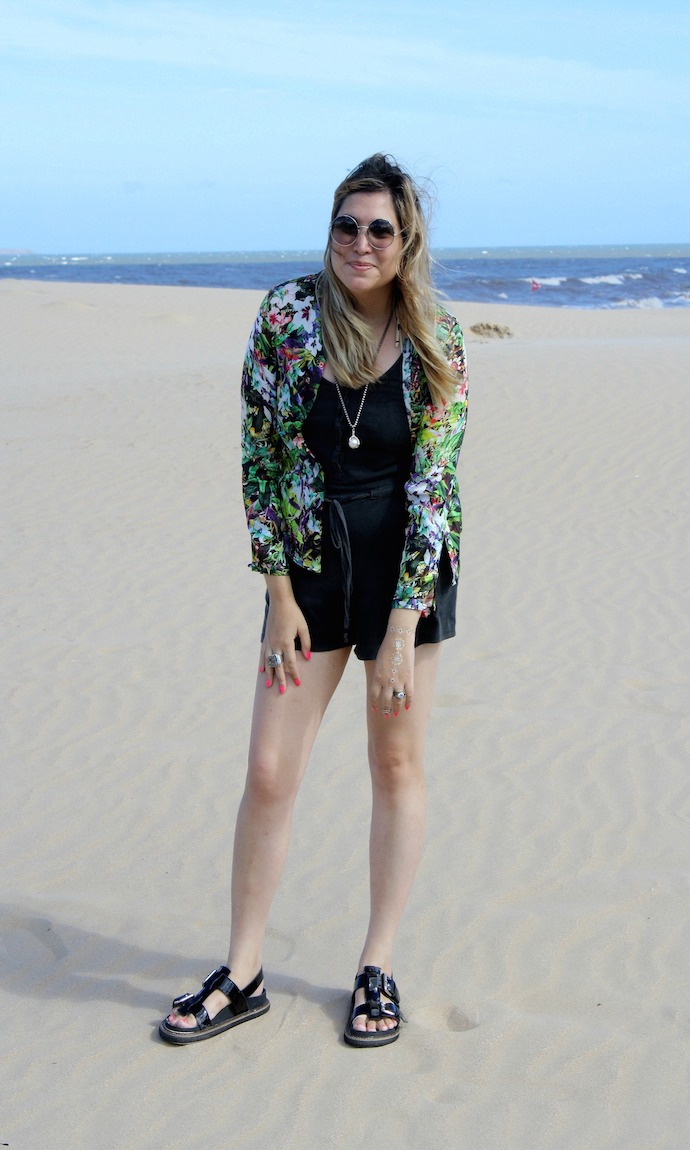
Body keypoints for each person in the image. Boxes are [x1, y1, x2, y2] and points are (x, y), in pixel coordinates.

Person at [159, 153, 468, 1048]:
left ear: (407, 242)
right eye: (346, 225)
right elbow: (259, 457)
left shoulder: (439, 336)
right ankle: (243, 971)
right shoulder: (287, 316)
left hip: (405, 573)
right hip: (307, 568)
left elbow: (435, 486)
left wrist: (402, 626)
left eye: (380, 229)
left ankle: (377, 964)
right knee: (269, 769)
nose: (360, 243)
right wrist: (279, 594)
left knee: (395, 765)